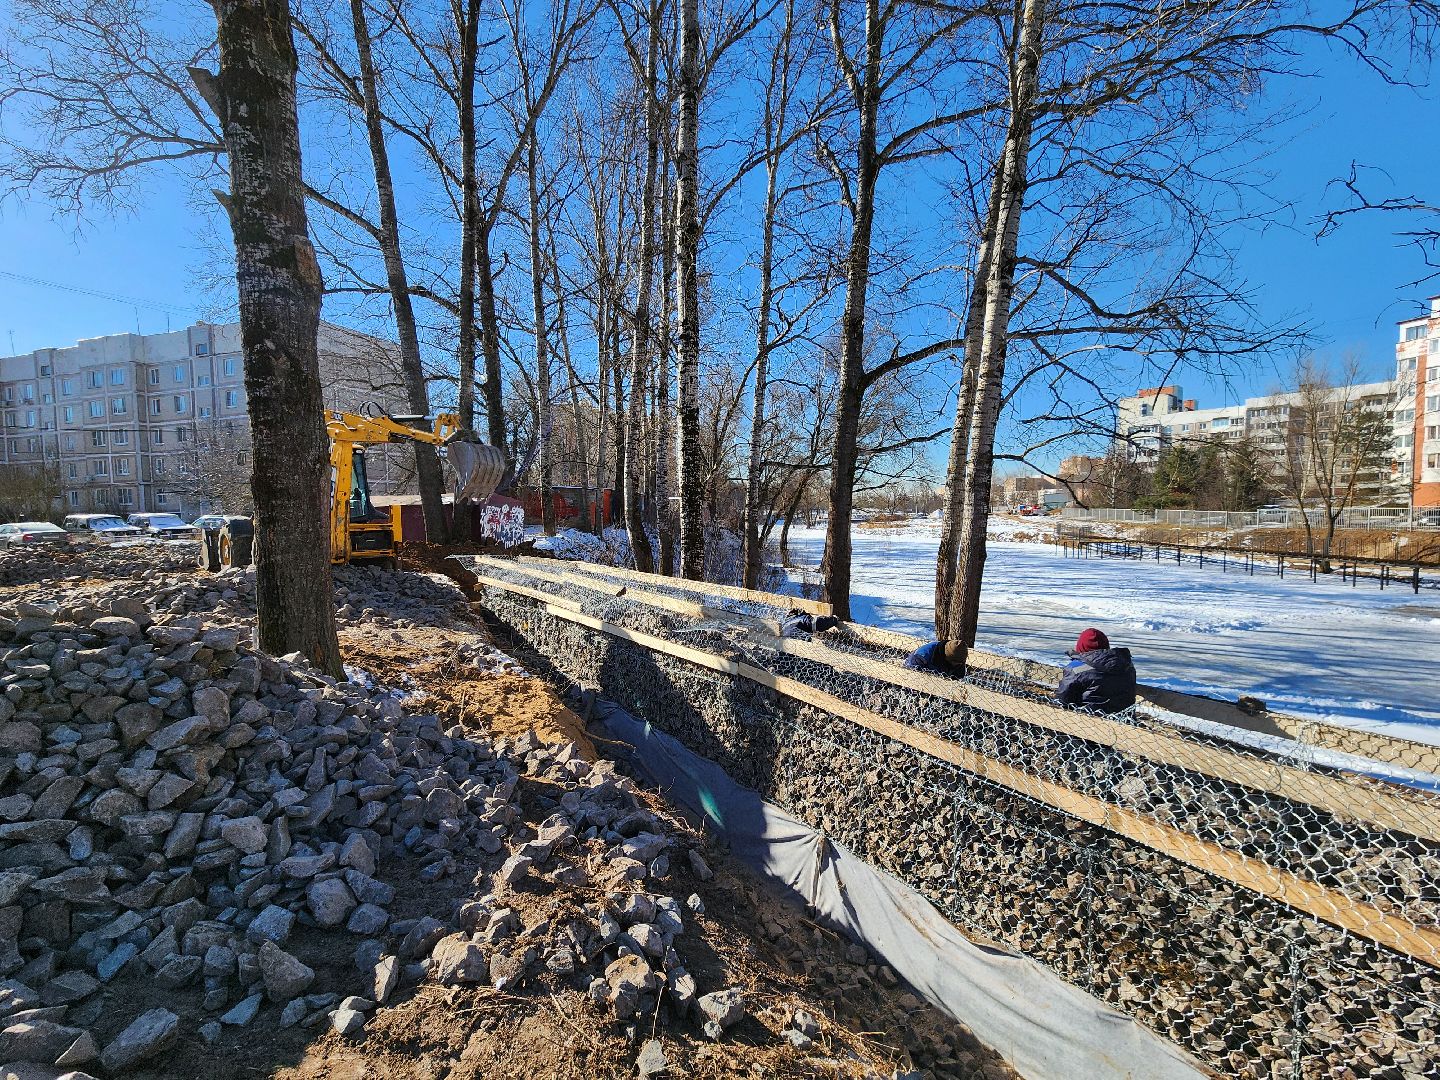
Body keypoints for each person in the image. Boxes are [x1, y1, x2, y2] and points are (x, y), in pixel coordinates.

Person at [1055, 628, 1136, 713]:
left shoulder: (1076, 669)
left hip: (1087, 720)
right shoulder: (1126, 664)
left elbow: (1063, 699)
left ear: (1081, 647)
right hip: (1124, 720)